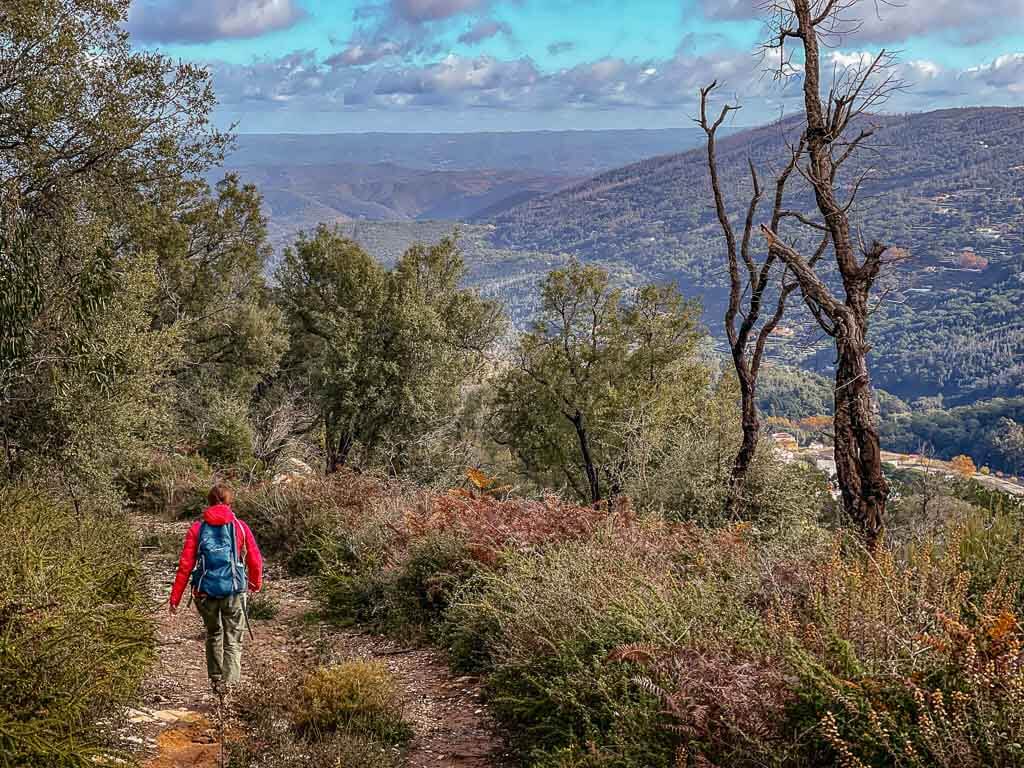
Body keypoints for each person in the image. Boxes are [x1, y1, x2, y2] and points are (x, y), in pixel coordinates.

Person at [170, 484, 263, 694]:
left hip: (205, 591)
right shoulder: (240, 527)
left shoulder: (197, 528)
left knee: (213, 634)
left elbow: (185, 565)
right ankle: (230, 687)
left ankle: (216, 680)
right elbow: (255, 559)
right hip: (234, 590)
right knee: (233, 639)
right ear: (230, 502)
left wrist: (175, 598)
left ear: (209, 502)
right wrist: (255, 583)